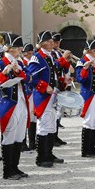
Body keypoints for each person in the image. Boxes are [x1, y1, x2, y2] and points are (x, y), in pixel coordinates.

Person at [27, 30, 71, 168]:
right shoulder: (36, 57)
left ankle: (49, 153)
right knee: (43, 126)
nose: (53, 43)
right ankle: (41, 157)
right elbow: (30, 77)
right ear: (43, 43)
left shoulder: (50, 56)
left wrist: (64, 80)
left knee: (51, 125)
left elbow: (54, 74)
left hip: (52, 94)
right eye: (50, 41)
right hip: (43, 96)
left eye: (53, 41)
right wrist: (43, 86)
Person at [0, 33, 30, 179]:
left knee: (19, 135)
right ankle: (8, 171)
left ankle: (15, 167)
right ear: (11, 49)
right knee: (9, 135)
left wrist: (18, 71)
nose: (20, 50)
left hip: (21, 101)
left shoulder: (19, 63)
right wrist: (5, 71)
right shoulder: (0, 63)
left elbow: (28, 78)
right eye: (18, 48)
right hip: (8, 103)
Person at [75, 39, 95, 156]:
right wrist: (85, 68)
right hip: (88, 94)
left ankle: (92, 147)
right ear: (89, 51)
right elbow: (80, 79)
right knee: (89, 120)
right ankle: (86, 150)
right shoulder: (82, 61)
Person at [20, 43, 36, 152]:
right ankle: (22, 143)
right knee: (25, 117)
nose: (31, 55)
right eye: (29, 54)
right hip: (26, 92)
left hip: (32, 91)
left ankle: (32, 143)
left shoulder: (30, 62)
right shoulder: (23, 63)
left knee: (32, 117)